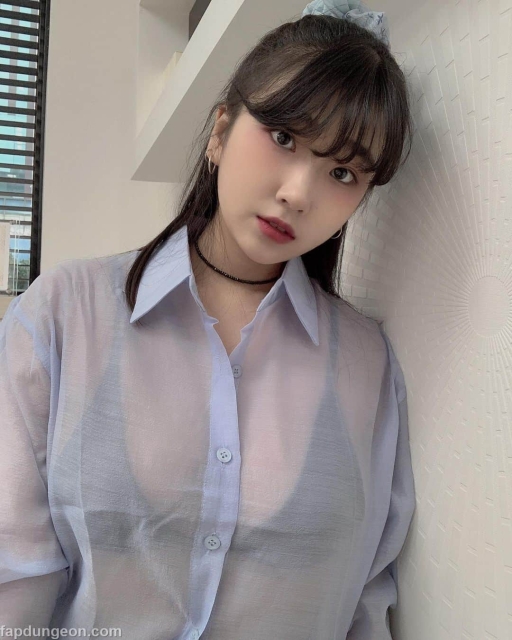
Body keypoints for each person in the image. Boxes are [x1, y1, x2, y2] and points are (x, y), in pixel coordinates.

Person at [0, 1, 416, 638]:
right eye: (283, 137)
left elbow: (365, 595)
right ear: (220, 132)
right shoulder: (64, 312)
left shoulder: (367, 363)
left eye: (342, 172)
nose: (298, 193)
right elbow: (15, 571)